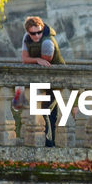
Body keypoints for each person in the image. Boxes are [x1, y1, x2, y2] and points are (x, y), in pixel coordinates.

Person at [21, 16, 63, 145]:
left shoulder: (47, 42)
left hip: (57, 79)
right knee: (49, 112)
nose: (37, 36)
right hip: (43, 80)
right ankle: (50, 144)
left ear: (43, 28)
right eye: (33, 33)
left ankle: (48, 145)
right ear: (28, 32)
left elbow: (46, 60)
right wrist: (37, 60)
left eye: (39, 32)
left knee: (44, 110)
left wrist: (34, 59)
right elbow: (24, 59)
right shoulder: (26, 38)